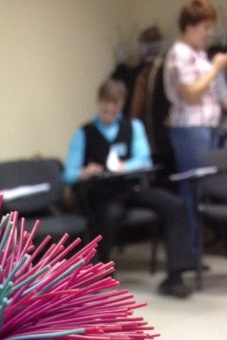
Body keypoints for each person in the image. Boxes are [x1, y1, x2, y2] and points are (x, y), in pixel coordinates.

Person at [64, 78, 195, 298]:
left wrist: (126, 166)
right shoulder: (84, 133)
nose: (109, 112)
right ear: (98, 102)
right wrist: (85, 172)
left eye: (113, 108)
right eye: (105, 108)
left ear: (121, 105)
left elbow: (143, 160)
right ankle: (100, 269)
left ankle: (175, 276)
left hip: (131, 187)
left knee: (174, 205)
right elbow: (68, 175)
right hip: (103, 192)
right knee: (110, 213)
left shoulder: (133, 127)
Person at [163, 0, 227, 248]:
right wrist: (216, 68)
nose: (209, 33)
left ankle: (197, 248)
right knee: (193, 188)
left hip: (207, 127)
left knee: (206, 188)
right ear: (190, 26)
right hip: (191, 129)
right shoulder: (179, 53)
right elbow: (190, 94)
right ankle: (190, 251)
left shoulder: (198, 54)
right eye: (205, 27)